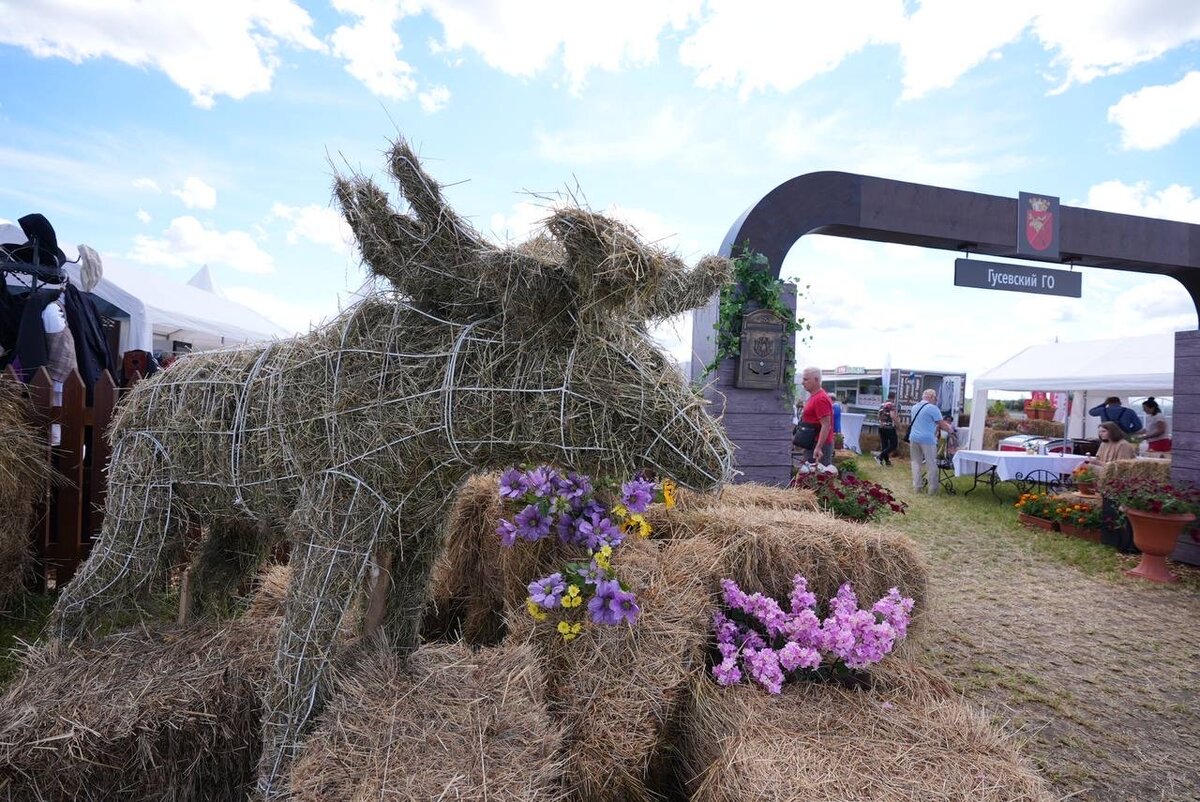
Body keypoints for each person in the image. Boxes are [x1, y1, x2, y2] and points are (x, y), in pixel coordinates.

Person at [909, 389, 952, 495]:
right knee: (931, 464)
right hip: (927, 439)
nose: (936, 401)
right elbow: (941, 424)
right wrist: (951, 430)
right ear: (932, 397)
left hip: (914, 438)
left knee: (916, 463)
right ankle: (932, 489)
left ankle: (917, 487)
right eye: (935, 398)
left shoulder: (914, 407)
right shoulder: (933, 408)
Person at [798, 366, 835, 467]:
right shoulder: (814, 396)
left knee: (818, 478)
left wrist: (818, 447)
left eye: (805, 379)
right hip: (812, 443)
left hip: (819, 445)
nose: (802, 382)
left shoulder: (820, 399)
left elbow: (826, 425)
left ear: (816, 380)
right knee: (809, 477)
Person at [875, 391, 898, 466]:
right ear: (894, 397)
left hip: (881, 427)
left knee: (884, 445)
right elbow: (892, 415)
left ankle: (887, 462)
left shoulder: (882, 404)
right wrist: (898, 423)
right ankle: (880, 457)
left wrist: (882, 421)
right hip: (889, 427)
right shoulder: (891, 405)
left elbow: (878, 416)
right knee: (894, 444)